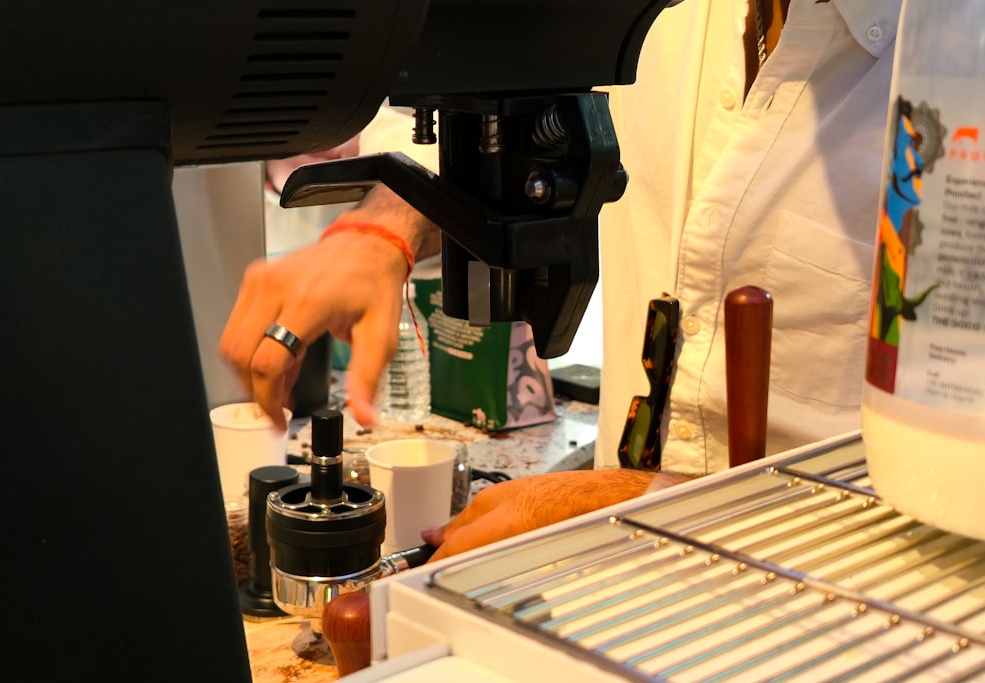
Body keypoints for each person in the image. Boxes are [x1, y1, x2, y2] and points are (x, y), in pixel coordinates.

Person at [220, 0, 901, 561]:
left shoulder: (942, 84)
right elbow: (503, 96)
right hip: (621, 589)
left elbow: (944, 506)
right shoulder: (656, 19)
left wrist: (617, 500)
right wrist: (382, 230)